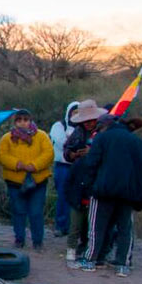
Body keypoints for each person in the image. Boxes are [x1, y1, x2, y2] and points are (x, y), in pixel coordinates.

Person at [79, 115, 142, 277]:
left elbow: (91, 165)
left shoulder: (102, 138)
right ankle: (123, 265)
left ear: (104, 126)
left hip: (103, 191)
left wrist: (90, 187)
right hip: (129, 194)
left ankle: (90, 260)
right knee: (125, 229)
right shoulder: (138, 143)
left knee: (96, 227)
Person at [0, 109, 54, 249]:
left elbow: (48, 153)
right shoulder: (7, 138)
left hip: (37, 180)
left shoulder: (41, 136)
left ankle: (38, 241)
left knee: (36, 212)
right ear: (15, 122)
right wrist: (18, 164)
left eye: (26, 120)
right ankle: (19, 239)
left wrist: (34, 166)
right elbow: (2, 156)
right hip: (15, 181)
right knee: (18, 211)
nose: (23, 123)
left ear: (30, 120)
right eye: (19, 120)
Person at [63, 100, 107, 265]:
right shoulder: (77, 133)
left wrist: (92, 152)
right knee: (77, 216)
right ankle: (75, 248)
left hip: (96, 178)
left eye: (91, 120)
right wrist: (73, 155)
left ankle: (92, 249)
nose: (88, 123)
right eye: (86, 121)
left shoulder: (102, 134)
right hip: (79, 177)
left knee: (94, 219)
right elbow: (67, 151)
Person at [49, 101, 80, 236]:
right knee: (63, 196)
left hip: (79, 166)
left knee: (79, 197)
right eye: (74, 112)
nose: (76, 115)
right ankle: (61, 226)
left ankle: (76, 228)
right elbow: (62, 142)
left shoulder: (84, 128)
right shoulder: (59, 126)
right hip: (63, 166)